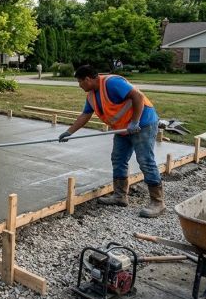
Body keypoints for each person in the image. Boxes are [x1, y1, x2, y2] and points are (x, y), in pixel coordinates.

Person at [58, 65, 164, 217]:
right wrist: (69, 132)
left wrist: (135, 122)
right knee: (118, 159)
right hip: (122, 129)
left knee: (145, 160)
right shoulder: (92, 96)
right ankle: (120, 196)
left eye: (80, 82)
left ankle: (158, 203)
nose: (79, 85)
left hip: (143, 124)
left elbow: (138, 97)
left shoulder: (112, 83)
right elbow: (85, 115)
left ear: (87, 79)